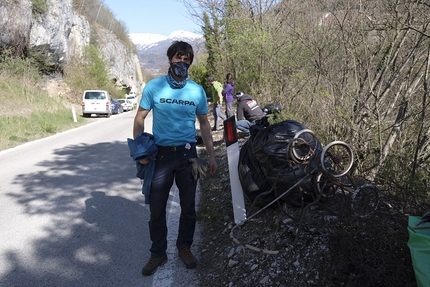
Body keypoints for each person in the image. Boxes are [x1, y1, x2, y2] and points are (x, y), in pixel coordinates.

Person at [133, 41, 217, 276]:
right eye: (178, 58)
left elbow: (204, 124)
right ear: (170, 60)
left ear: (190, 62)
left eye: (186, 59)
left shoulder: (197, 90)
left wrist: (211, 156)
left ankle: (184, 247)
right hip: (160, 155)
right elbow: (139, 118)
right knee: (157, 210)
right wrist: (140, 152)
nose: (182, 62)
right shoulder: (154, 86)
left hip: (188, 155)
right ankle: (158, 253)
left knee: (189, 207)